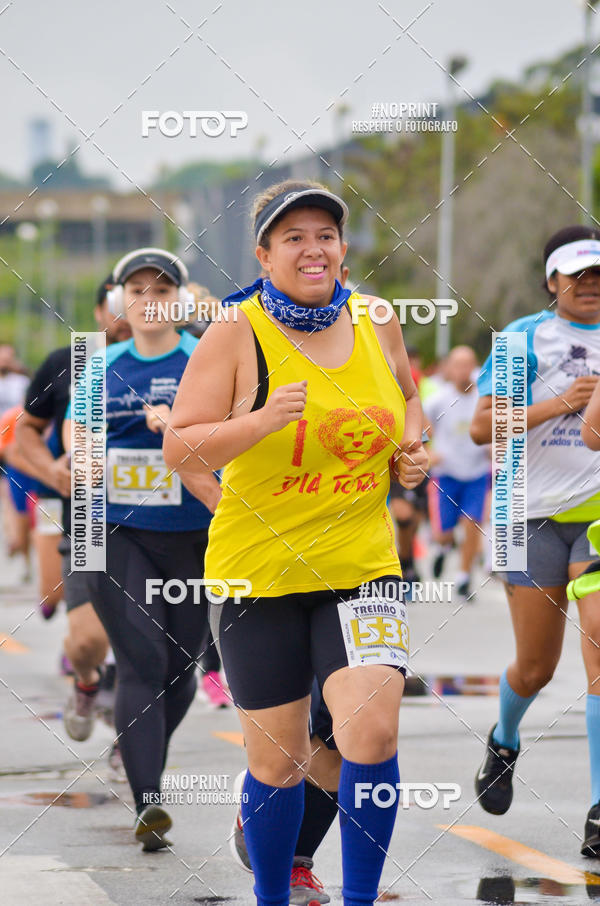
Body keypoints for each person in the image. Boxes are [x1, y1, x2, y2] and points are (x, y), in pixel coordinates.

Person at [164, 179, 429, 905]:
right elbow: (181, 447)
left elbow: (406, 396)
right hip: (262, 576)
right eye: (294, 238)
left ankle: (360, 898)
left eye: (325, 236)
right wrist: (259, 422)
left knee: (370, 735)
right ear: (264, 253)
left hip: (363, 569)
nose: (313, 249)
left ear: (342, 249)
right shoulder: (236, 331)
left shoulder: (376, 317)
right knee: (278, 762)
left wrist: (411, 447)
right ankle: (275, 895)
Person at [65, 247, 220, 851]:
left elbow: (237, 434)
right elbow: (78, 447)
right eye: (138, 289)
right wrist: (90, 460)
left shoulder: (204, 362)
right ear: (121, 303)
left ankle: (138, 745)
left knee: (181, 669)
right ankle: (149, 801)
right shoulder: (99, 367)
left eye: (162, 288)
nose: (150, 299)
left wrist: (183, 431)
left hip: (195, 538)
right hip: (119, 535)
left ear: (180, 302)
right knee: (141, 663)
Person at [470, 225, 600, 857]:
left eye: (599, 274)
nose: (591, 285)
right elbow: (479, 427)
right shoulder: (524, 338)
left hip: (598, 513)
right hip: (529, 515)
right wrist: (560, 406)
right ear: (552, 281)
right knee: (536, 666)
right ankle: (504, 736)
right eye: (578, 275)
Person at [17, 277, 128, 754]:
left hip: (166, 522)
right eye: (127, 298)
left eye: (157, 295)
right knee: (87, 642)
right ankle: (86, 683)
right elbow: (24, 435)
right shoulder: (73, 362)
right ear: (102, 311)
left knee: (147, 647)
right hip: (87, 515)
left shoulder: (188, 359)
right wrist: (52, 470)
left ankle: (135, 743)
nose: (140, 307)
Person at [423, 345, 490, 600]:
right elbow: (419, 425)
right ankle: (442, 548)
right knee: (444, 532)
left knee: (472, 523)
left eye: (468, 365)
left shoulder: (483, 398)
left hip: (476, 472)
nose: (463, 371)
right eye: (457, 365)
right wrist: (428, 452)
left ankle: (463, 578)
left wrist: (493, 448)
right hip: (446, 474)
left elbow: (496, 427)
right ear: (449, 369)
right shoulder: (437, 399)